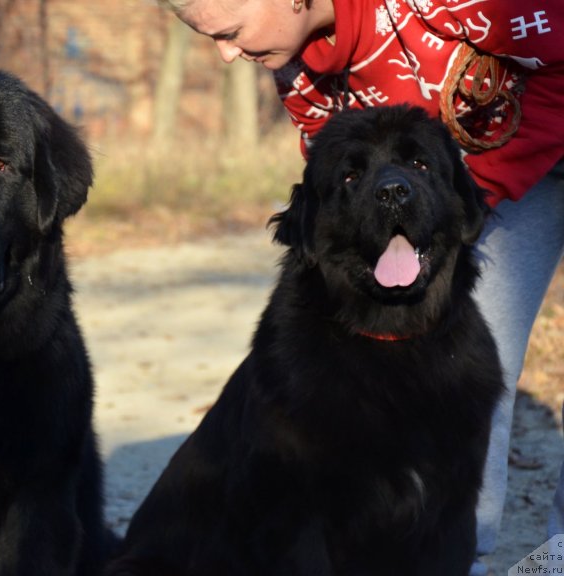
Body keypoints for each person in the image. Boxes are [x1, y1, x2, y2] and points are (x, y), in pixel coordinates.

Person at [160, 0, 564, 573]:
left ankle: (558, 559)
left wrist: (465, 203)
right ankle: (463, 554)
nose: (226, 54)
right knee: (468, 348)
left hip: (513, 142)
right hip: (482, 169)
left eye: (228, 31)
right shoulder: (297, 71)